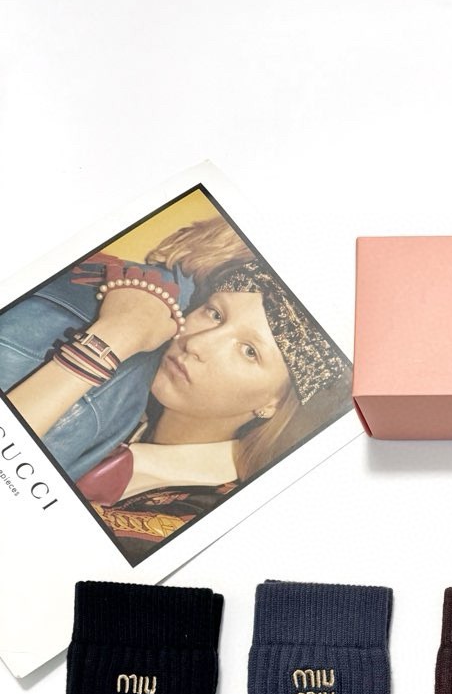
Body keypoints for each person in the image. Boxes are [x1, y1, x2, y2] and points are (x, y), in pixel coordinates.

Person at [1, 228, 350, 560]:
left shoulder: (205, 517)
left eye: (249, 351)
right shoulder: (129, 390)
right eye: (215, 314)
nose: (197, 344)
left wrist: (109, 341)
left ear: (272, 403)